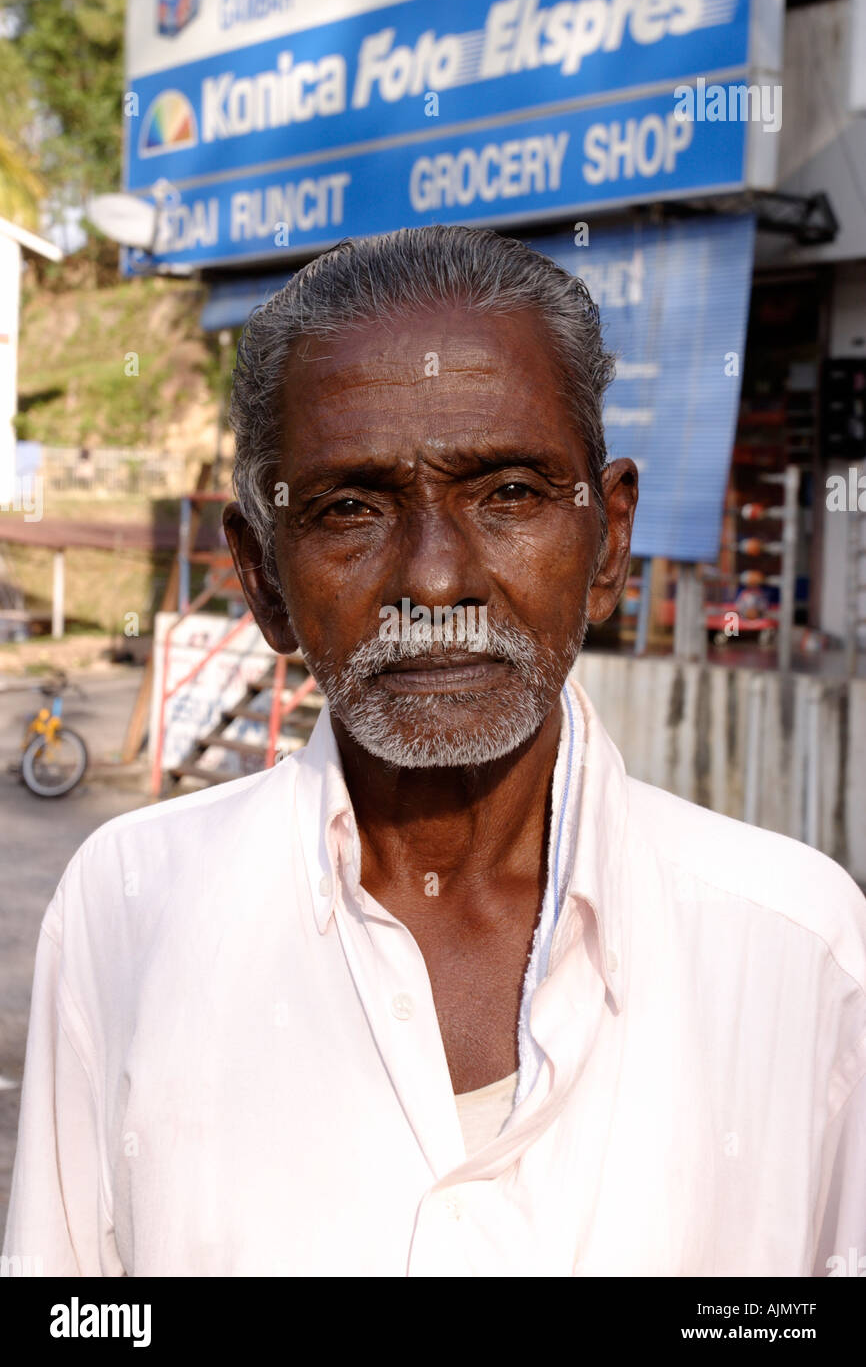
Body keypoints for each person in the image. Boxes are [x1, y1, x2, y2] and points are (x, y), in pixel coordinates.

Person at [4, 226, 865, 1277]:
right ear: (263, 579)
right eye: (351, 508)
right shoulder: (127, 909)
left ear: (607, 544)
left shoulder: (796, 953)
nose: (436, 581)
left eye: (507, 492)